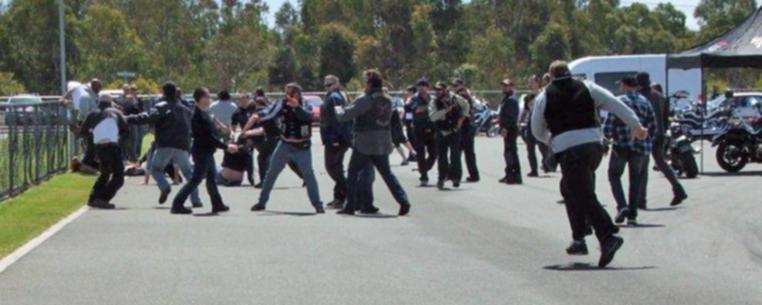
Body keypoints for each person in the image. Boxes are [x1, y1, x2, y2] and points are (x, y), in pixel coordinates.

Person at [531, 60, 648, 268]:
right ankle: (579, 237)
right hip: (594, 147)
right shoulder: (587, 86)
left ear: (550, 75)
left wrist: (552, 140)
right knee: (569, 188)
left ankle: (607, 236)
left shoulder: (544, 96)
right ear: (569, 72)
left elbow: (536, 130)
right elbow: (615, 103)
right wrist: (636, 126)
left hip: (569, 150)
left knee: (582, 194)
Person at [336, 69, 411, 216]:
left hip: (365, 142)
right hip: (383, 142)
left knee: (352, 173)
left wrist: (338, 110)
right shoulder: (388, 99)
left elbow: (345, 115)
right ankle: (403, 201)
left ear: (369, 84)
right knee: (387, 174)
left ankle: (350, 205)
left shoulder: (366, 99)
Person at [247, 83, 324, 214]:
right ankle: (261, 202)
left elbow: (309, 117)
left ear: (298, 94)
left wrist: (297, 107)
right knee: (271, 173)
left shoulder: (305, 105)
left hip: (302, 147)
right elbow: (270, 111)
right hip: (285, 145)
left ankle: (317, 204)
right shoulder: (282, 103)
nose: (289, 96)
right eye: (287, 93)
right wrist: (260, 115)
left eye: (292, 93)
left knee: (309, 175)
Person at [125, 82, 202, 207]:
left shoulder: (161, 106)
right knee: (189, 174)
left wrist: (127, 118)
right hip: (183, 145)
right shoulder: (186, 110)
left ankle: (164, 186)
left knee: (156, 169)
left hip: (165, 144)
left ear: (163, 92)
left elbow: (148, 117)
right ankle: (196, 200)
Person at [171, 88, 237, 215]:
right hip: (202, 151)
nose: (208, 99)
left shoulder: (205, 113)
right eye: (205, 96)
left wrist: (221, 130)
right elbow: (207, 137)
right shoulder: (197, 115)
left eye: (208, 96)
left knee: (211, 178)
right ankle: (177, 204)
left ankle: (217, 204)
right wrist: (226, 147)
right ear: (199, 99)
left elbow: (212, 133)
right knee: (196, 179)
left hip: (207, 151)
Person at [605, 76, 656, 226]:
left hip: (621, 145)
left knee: (614, 175)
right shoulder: (645, 101)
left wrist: (606, 138)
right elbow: (653, 124)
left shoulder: (618, 101)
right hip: (641, 147)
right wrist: (646, 139)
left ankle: (622, 206)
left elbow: (609, 124)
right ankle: (632, 215)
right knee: (636, 180)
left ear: (625, 85)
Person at [636, 72, 688, 208]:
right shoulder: (660, 96)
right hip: (660, 132)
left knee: (643, 166)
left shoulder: (641, 97)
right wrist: (663, 131)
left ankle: (641, 199)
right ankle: (678, 189)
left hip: (647, 133)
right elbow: (665, 116)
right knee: (662, 162)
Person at [79, 94, 128, 209]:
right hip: (112, 146)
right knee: (119, 177)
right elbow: (126, 131)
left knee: (105, 174)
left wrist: (94, 140)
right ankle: (102, 198)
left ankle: (93, 198)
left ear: (98, 102)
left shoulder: (92, 114)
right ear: (111, 103)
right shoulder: (116, 113)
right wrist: (117, 139)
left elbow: (83, 132)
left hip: (99, 148)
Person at [320, 75, 353, 209]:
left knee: (331, 167)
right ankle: (339, 197)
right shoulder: (332, 96)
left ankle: (349, 192)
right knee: (336, 167)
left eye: (330, 84)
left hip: (336, 138)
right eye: (326, 85)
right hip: (333, 137)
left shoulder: (335, 98)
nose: (327, 87)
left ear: (336, 84)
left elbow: (339, 118)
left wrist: (335, 138)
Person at [430, 81, 469, 190]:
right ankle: (442, 178)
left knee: (455, 155)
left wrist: (462, 119)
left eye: (440, 89)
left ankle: (456, 178)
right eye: (436, 90)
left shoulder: (455, 98)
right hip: (441, 131)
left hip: (454, 130)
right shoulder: (434, 102)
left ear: (445, 90)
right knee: (442, 156)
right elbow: (433, 117)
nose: (437, 92)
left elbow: (466, 105)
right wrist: (445, 110)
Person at [520, 75, 550, 177]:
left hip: (541, 121)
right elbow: (525, 110)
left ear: (537, 83)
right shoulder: (528, 97)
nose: (530, 84)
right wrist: (520, 120)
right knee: (530, 147)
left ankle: (547, 163)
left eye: (532, 81)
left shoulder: (542, 94)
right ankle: (533, 170)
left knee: (542, 146)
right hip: (531, 122)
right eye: (529, 82)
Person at [410, 78, 437, 186]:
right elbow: (416, 109)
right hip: (419, 128)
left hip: (432, 128)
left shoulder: (433, 98)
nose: (421, 88)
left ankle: (424, 168)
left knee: (434, 153)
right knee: (420, 153)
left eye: (423, 85)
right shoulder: (414, 99)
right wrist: (429, 108)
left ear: (427, 87)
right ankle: (424, 176)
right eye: (419, 86)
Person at [452, 78, 480, 182]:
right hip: (468, 126)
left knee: (458, 151)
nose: (454, 87)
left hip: (465, 126)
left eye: (456, 85)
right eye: (453, 85)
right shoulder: (464, 94)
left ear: (461, 85)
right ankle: (473, 175)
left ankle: (454, 174)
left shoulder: (462, 95)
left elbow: (463, 112)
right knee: (468, 152)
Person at [230, 93, 258, 186]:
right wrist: (233, 136)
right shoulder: (237, 112)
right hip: (245, 135)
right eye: (240, 100)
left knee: (264, 157)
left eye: (244, 99)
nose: (243, 102)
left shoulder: (254, 108)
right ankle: (249, 176)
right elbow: (233, 126)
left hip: (258, 134)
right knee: (246, 154)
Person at [498, 79, 522, 184]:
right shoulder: (507, 99)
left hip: (510, 130)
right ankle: (510, 174)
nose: (504, 87)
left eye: (507, 86)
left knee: (510, 152)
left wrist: (505, 128)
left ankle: (514, 176)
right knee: (508, 152)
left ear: (512, 87)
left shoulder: (511, 99)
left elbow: (511, 117)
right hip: (508, 129)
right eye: (503, 85)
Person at [402, 86, 418, 163]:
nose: (407, 92)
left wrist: (412, 121)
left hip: (412, 120)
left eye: (408, 91)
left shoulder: (414, 98)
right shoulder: (409, 98)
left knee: (413, 138)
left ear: (412, 91)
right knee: (410, 137)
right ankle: (411, 155)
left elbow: (413, 111)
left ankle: (415, 155)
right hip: (408, 119)